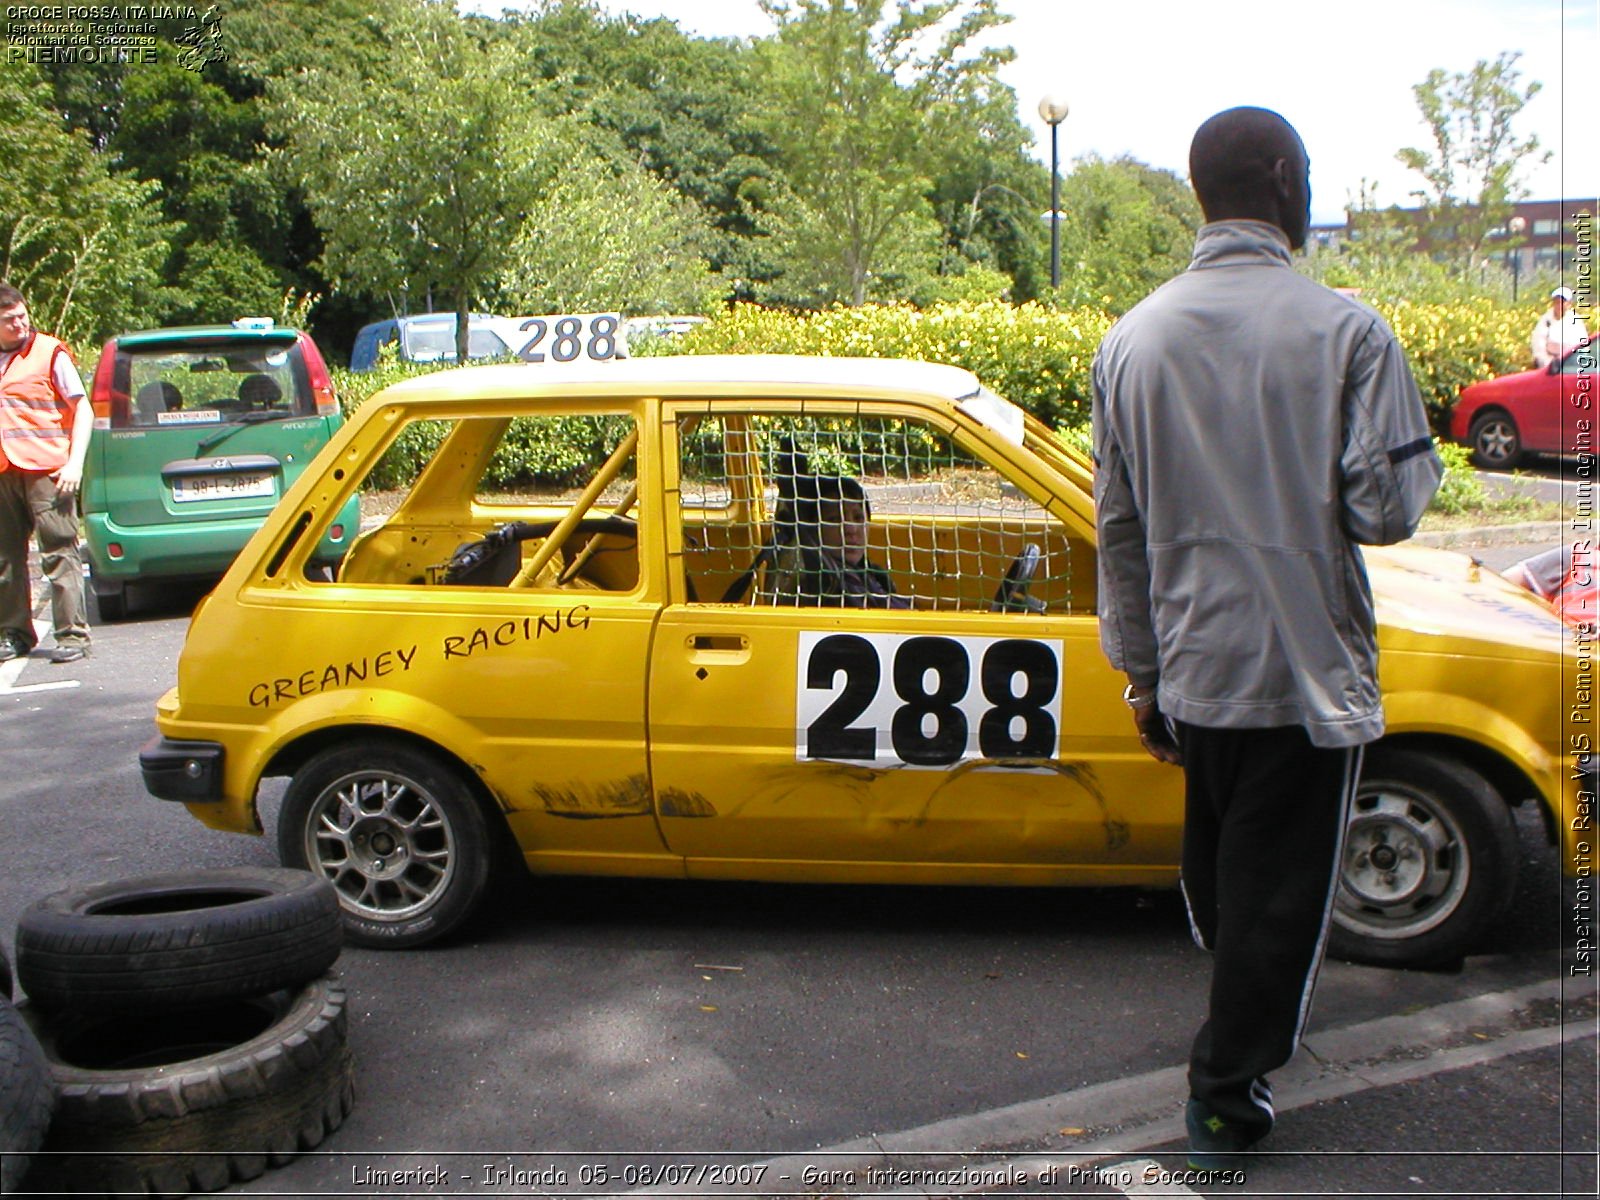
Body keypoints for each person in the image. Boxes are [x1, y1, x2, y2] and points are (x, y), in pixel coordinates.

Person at [1091, 108, 1441, 1170]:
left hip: (1194, 673)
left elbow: (1119, 530)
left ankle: (1234, 1025)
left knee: (1231, 883)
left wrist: (1141, 676)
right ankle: (1225, 1092)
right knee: (1279, 897)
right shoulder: (1346, 333)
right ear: (1282, 179)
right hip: (1301, 675)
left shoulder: (1130, 338)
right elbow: (1386, 511)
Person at [0, 282, 94, 664]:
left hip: (47, 470)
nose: (20, 324)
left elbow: (83, 408)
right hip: (4, 471)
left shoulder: (48, 352)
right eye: (9, 320)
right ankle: (14, 633)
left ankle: (72, 636)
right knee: (5, 559)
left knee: (59, 553)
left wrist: (75, 464)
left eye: (23, 315)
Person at [764, 452, 907, 608]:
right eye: (834, 519)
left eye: (858, 518)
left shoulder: (871, 575)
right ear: (812, 528)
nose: (851, 529)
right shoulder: (821, 588)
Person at [1531, 286, 1590, 369]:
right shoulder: (1545, 320)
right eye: (1556, 302)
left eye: (1562, 302)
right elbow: (1538, 345)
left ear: (1569, 304)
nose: (1559, 305)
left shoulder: (1575, 319)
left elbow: (1583, 344)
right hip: (1550, 364)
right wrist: (1549, 364)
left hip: (1571, 363)